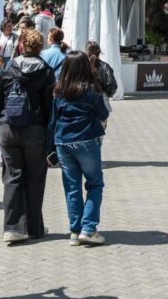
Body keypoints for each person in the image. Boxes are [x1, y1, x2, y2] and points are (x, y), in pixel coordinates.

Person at [0, 28, 55, 243]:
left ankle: (12, 227)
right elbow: (50, 107)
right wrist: (50, 138)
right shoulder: (46, 71)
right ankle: (34, 227)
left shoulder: (9, 67)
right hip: (35, 129)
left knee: (12, 176)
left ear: (21, 46)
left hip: (8, 127)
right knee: (35, 179)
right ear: (41, 47)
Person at [50, 51, 110, 246]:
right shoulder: (92, 90)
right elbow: (102, 113)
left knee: (72, 188)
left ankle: (75, 231)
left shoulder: (59, 90)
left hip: (63, 141)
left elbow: (53, 119)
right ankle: (89, 228)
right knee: (94, 184)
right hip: (86, 140)